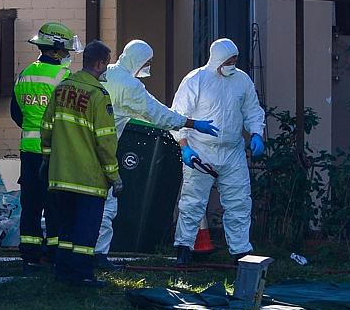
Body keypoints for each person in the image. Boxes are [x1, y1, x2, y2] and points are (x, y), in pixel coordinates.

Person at [94, 39, 220, 269]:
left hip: (83, 148)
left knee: (83, 205)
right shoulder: (129, 86)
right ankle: (98, 257)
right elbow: (155, 113)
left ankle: (72, 256)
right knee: (106, 206)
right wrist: (190, 123)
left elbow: (138, 112)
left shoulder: (108, 73)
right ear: (138, 60)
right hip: (103, 154)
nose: (148, 67)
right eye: (147, 62)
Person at [171, 38, 265, 265]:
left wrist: (256, 134)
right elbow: (178, 116)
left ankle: (241, 252)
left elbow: (252, 110)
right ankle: (184, 248)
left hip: (232, 151)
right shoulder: (196, 80)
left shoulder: (242, 80)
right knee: (192, 202)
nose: (232, 64)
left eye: (235, 60)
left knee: (239, 202)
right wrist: (185, 147)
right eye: (228, 60)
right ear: (217, 59)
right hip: (200, 150)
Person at [40, 40, 121, 287]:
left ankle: (63, 272)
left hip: (60, 175)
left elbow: (46, 129)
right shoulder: (98, 95)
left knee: (65, 230)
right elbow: (105, 141)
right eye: (106, 63)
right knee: (86, 233)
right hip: (88, 179)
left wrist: (48, 160)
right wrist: (114, 176)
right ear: (99, 63)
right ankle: (83, 276)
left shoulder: (61, 89)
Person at [11, 22, 83, 273]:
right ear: (56, 50)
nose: (68, 56)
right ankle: (54, 253)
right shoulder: (64, 78)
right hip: (54, 152)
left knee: (30, 204)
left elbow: (16, 114)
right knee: (54, 204)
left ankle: (30, 254)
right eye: (65, 51)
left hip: (28, 152)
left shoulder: (25, 74)